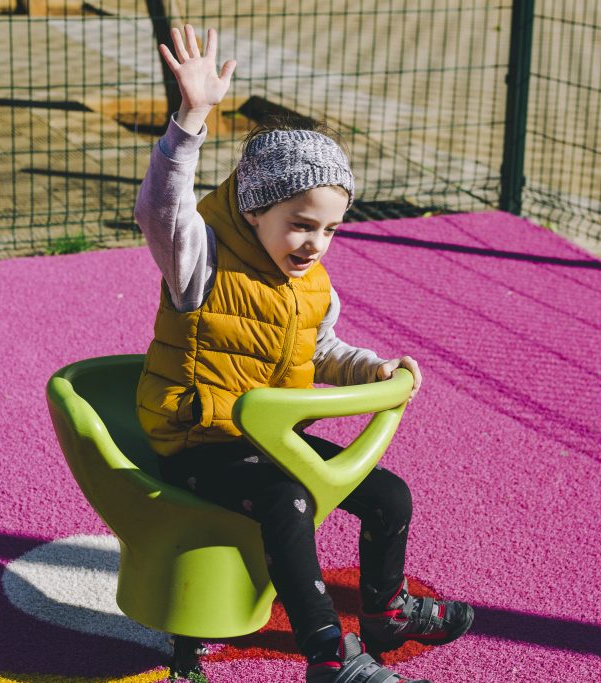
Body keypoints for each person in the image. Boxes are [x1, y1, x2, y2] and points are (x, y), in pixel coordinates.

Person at [133, 24, 474, 683]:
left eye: (330, 228)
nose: (315, 242)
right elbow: (160, 207)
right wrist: (191, 119)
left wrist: (372, 368)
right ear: (255, 209)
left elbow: (322, 352)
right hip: (200, 439)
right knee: (289, 501)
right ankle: (327, 654)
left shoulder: (309, 282)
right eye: (301, 223)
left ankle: (386, 613)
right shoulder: (199, 259)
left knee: (388, 496)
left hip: (269, 439)